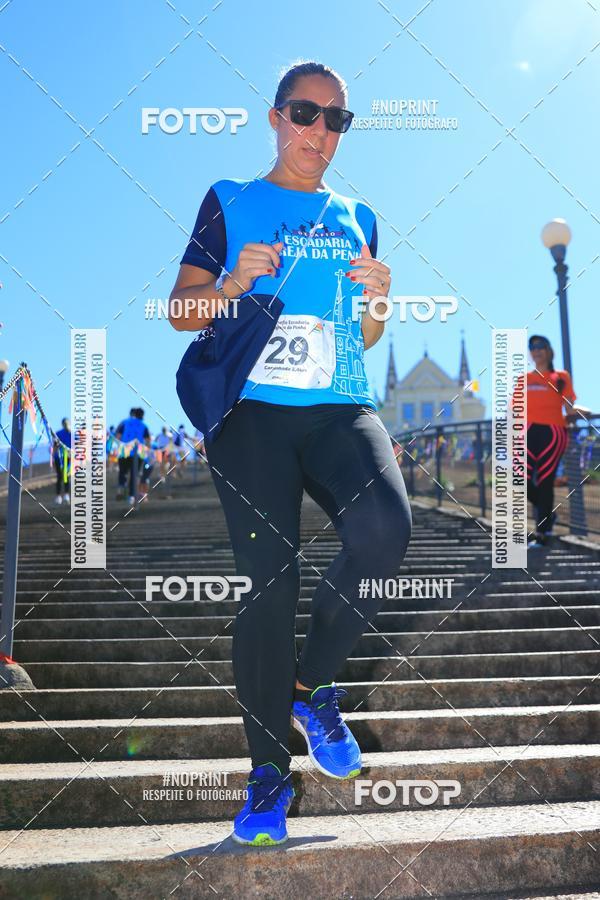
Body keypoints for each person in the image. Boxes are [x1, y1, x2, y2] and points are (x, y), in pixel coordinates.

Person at [169, 60, 412, 846]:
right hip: (253, 417)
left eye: (336, 119)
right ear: (276, 118)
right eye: (306, 113)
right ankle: (267, 777)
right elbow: (180, 310)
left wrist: (378, 300)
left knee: (386, 529)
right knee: (269, 586)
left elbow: (365, 335)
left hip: (340, 406)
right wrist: (231, 284)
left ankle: (310, 686)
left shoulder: (359, 215)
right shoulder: (230, 199)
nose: (320, 130)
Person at [524, 335, 576, 548]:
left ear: (548, 351)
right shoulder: (524, 379)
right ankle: (549, 515)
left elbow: (570, 408)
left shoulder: (560, 377)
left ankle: (542, 533)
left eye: (540, 346)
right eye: (532, 347)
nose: (536, 350)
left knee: (545, 481)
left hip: (553, 432)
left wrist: (582, 413)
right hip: (527, 432)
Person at [115, 407, 151, 504]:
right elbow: (148, 441)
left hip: (124, 451)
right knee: (134, 475)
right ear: (142, 416)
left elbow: (118, 436)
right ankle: (131, 496)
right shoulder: (144, 425)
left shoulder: (124, 422)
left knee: (123, 472)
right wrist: (147, 453)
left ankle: (121, 487)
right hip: (138, 453)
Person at [52, 417, 71, 505]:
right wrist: (53, 457)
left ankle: (65, 495)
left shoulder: (72, 434)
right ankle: (59, 496)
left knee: (65, 476)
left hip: (67, 457)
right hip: (59, 457)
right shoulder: (58, 434)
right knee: (60, 476)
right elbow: (55, 446)